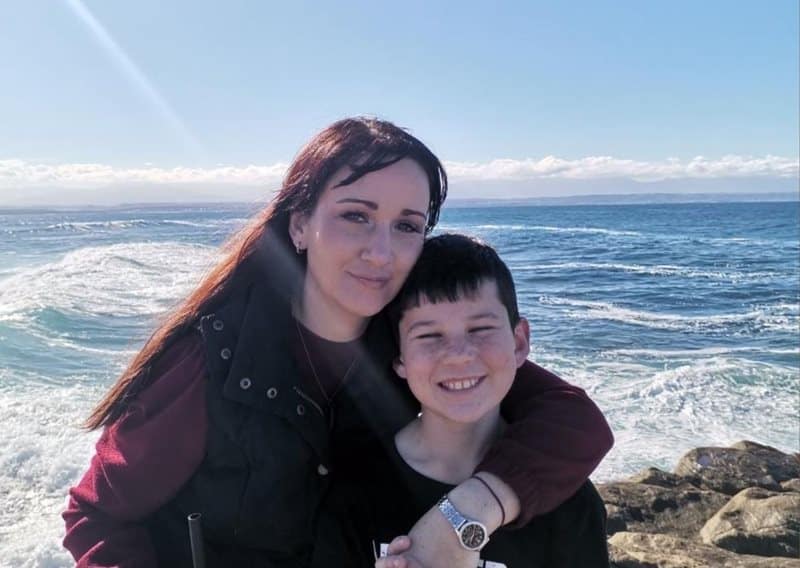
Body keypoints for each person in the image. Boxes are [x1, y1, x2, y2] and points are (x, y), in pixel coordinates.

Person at [62, 117, 613, 567]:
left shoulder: (415, 351)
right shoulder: (212, 358)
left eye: (407, 226)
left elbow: (574, 423)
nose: (382, 251)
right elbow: (97, 516)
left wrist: (466, 513)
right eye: (356, 216)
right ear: (299, 225)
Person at [324, 234, 609, 567]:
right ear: (399, 358)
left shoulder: (567, 501)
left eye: (480, 329)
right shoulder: (354, 487)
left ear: (519, 343)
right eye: (430, 335)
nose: (459, 356)